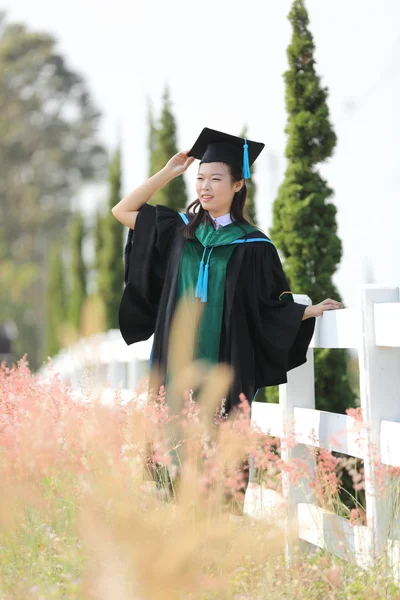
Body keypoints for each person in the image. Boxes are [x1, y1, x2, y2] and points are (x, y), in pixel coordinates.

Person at [112, 127, 342, 413]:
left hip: (227, 365)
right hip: (173, 360)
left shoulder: (254, 245)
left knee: (220, 446)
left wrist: (304, 311)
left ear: (237, 184)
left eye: (215, 179)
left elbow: (268, 305)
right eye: (200, 178)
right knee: (170, 444)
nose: (205, 187)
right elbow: (122, 211)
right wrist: (169, 172)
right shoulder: (178, 230)